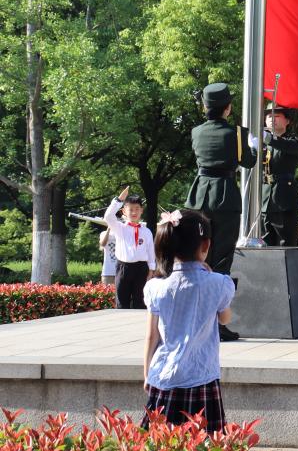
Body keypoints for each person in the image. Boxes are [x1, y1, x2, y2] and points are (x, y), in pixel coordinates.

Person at [143, 209, 235, 432]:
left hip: (163, 376)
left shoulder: (155, 287)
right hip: (201, 375)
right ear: (206, 245)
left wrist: (147, 374)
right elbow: (225, 319)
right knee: (205, 445)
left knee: (161, 445)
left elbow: (152, 336)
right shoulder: (218, 283)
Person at [184, 82, 257, 342]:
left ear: (205, 107)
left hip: (199, 195)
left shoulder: (196, 131)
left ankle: (195, 319)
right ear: (227, 108)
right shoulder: (236, 133)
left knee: (196, 258)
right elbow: (248, 161)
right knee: (222, 261)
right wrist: (253, 146)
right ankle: (217, 321)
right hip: (225, 195)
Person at [103, 187, 156, 309]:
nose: (134, 212)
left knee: (141, 301)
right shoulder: (119, 228)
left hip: (141, 268)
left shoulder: (146, 231)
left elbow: (150, 252)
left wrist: (151, 271)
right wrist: (119, 200)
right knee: (122, 302)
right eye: (130, 209)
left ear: (141, 210)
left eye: (137, 209)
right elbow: (108, 216)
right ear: (124, 211)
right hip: (123, 267)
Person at [262, 105, 298, 247]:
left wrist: (268, 138)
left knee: (285, 244)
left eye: (277, 116)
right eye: (269, 116)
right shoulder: (262, 143)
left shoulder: (293, 141)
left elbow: (287, 146)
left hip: (284, 199)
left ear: (287, 121)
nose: (272, 119)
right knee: (263, 245)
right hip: (264, 200)